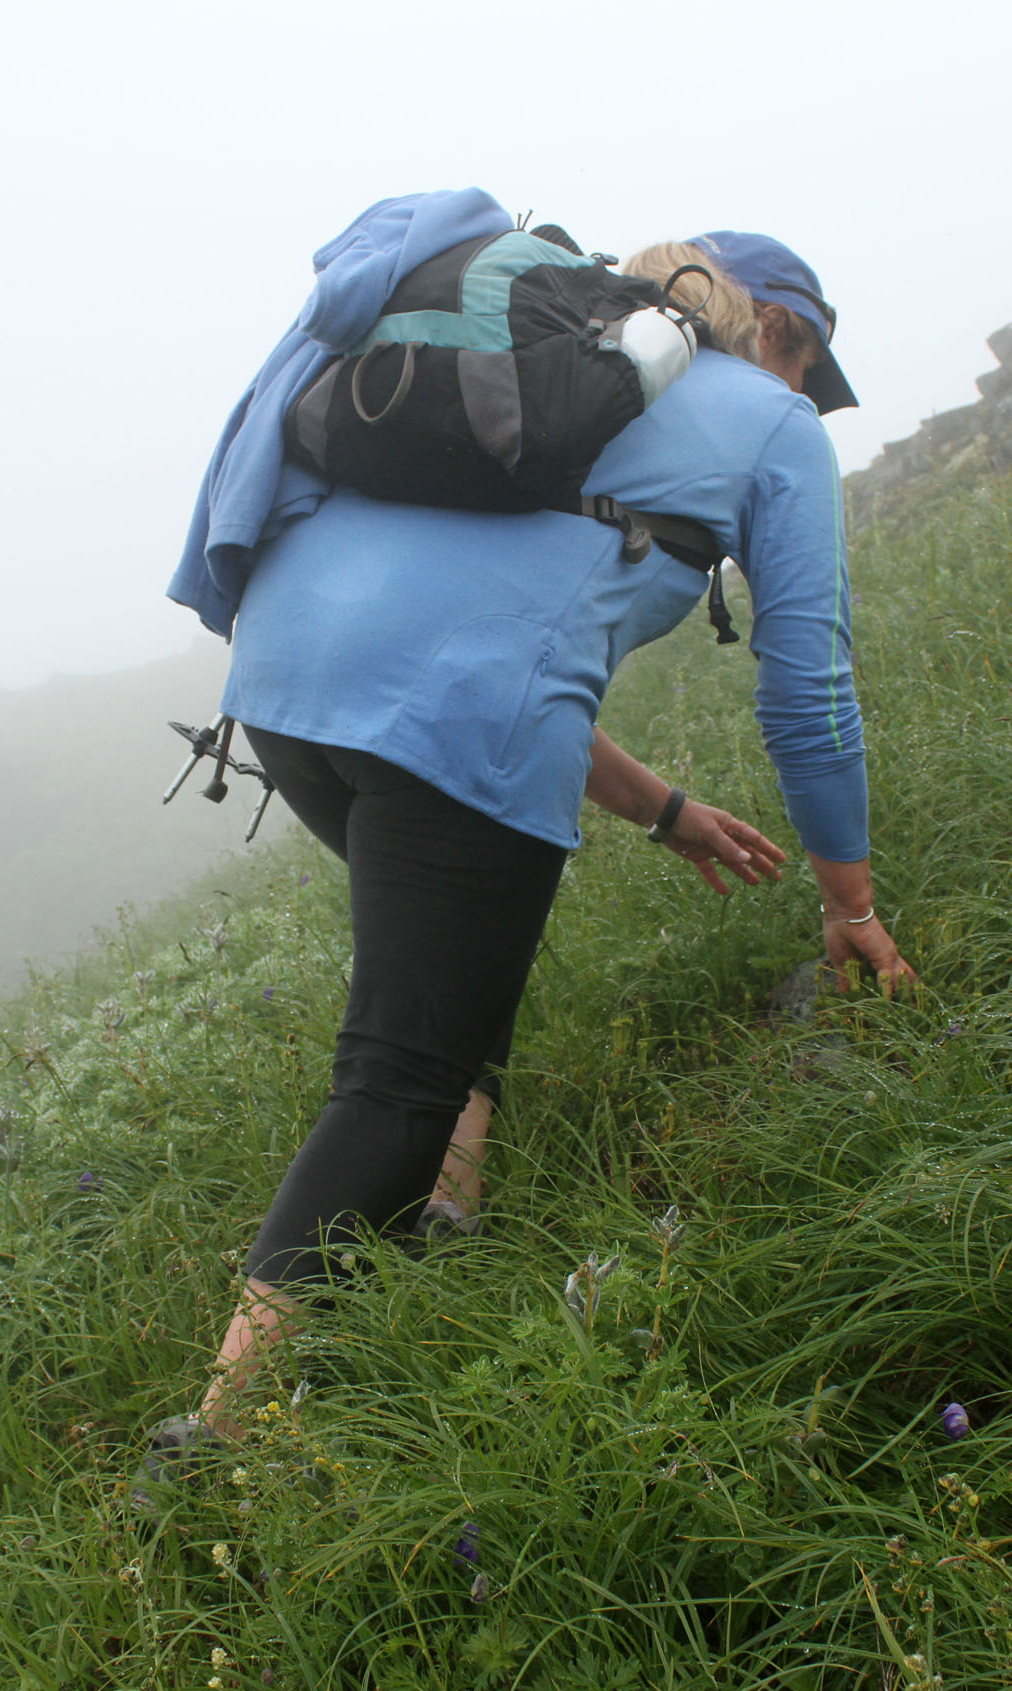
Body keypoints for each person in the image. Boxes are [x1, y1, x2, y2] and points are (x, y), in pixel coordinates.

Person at [157, 213, 914, 1458]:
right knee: (396, 1079)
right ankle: (218, 1441)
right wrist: (851, 905)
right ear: (774, 327)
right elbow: (809, 691)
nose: (804, 399)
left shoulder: (552, 374)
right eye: (806, 366)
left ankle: (448, 1205)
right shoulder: (769, 427)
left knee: (464, 944)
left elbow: (472, 632)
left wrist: (666, 813)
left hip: (281, 693)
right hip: (438, 718)